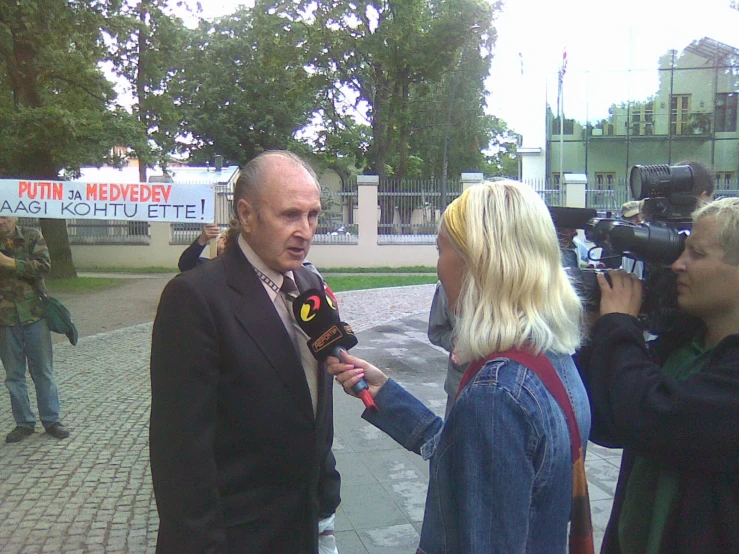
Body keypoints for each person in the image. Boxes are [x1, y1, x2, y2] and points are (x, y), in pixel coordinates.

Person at [329, 180, 591, 553]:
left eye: (441, 249)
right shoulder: (550, 355)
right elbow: (478, 468)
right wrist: (389, 397)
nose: (437, 267)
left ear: (478, 261)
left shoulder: (497, 393)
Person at [150, 150, 341, 554]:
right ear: (247, 215)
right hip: (238, 534)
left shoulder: (310, 284)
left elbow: (312, 401)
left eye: (313, 215)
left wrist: (326, 488)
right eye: (290, 215)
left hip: (303, 522)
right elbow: (181, 453)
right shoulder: (194, 298)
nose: (306, 230)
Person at [577, 196, 739, 553]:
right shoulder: (685, 347)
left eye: (696, 254)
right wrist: (595, 336)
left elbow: (652, 416)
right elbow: (612, 424)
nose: (678, 264)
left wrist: (619, 325)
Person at [0, 216, 69, 443]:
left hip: (34, 315)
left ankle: (51, 420)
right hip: (4, 319)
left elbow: (44, 267)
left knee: (43, 371)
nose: (1, 221)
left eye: (5, 215)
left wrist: (10, 263)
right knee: (13, 375)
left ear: (15, 217)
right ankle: (23, 423)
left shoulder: (31, 236)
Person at [427, 281, 467, 416]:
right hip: (460, 387)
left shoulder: (514, 281)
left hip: (508, 389)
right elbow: (436, 332)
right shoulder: (447, 284)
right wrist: (455, 342)